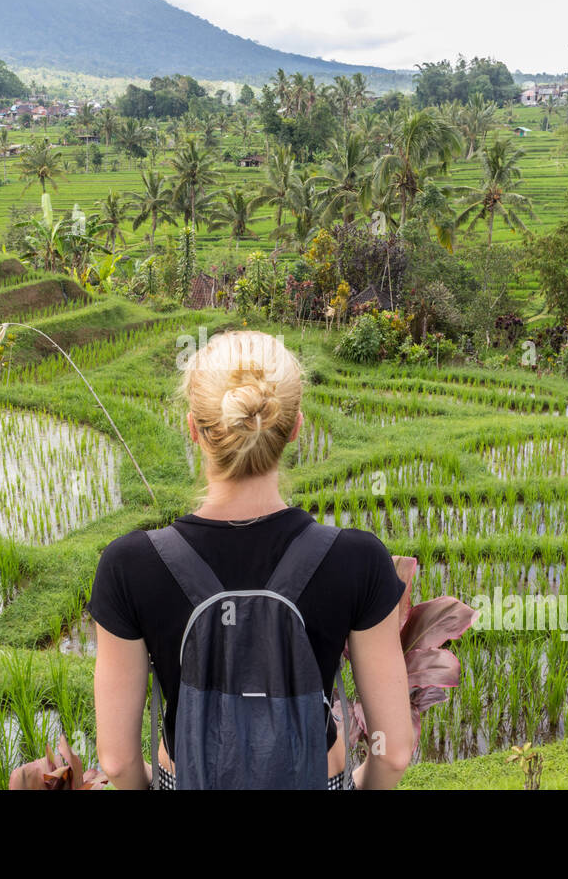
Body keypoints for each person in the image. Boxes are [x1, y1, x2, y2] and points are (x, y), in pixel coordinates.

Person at [88, 329, 414, 789]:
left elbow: (118, 762)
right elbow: (394, 752)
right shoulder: (358, 559)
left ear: (194, 429)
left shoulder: (129, 565)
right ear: (296, 427)